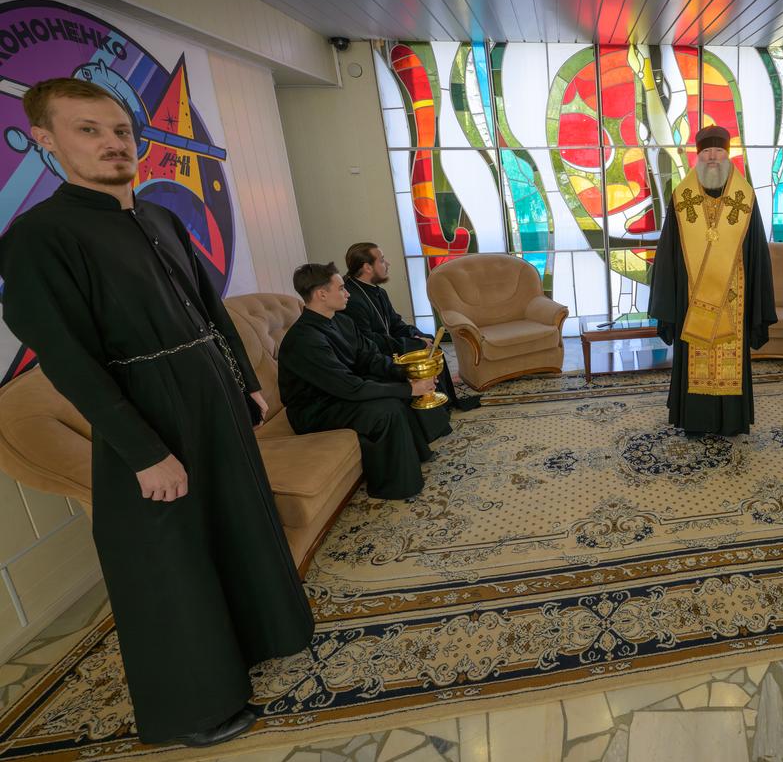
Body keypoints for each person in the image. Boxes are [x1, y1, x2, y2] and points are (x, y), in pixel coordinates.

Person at [0, 78, 313, 746]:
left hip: (211, 398)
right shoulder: (40, 236)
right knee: (168, 558)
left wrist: (244, 382)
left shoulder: (159, 216)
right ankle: (196, 708)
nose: (113, 143)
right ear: (45, 141)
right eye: (88, 130)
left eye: (120, 130)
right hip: (143, 411)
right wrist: (144, 451)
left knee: (236, 522)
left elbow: (210, 308)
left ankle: (260, 639)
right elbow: (67, 358)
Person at [647, 125, 776, 436]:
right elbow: (669, 252)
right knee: (694, 354)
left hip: (736, 295)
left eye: (719, 151)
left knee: (731, 356)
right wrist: (669, 299)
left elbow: (757, 248)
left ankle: (730, 422)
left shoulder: (744, 198)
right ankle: (694, 420)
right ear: (698, 156)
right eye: (707, 152)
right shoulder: (683, 198)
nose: (713, 157)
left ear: (727, 155)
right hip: (691, 298)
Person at [279, 263, 442, 500]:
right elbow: (349, 387)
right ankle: (395, 486)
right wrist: (408, 388)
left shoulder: (342, 321)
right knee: (387, 409)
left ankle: (415, 457)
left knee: (395, 391)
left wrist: (408, 373)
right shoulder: (304, 340)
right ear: (321, 294)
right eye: (342, 288)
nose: (347, 293)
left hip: (339, 392)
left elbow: (371, 359)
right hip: (314, 409)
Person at [340, 242, 479, 410]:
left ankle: (444, 400)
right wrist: (414, 344)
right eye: (382, 260)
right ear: (367, 267)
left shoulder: (378, 291)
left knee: (431, 343)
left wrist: (418, 335)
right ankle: (433, 403)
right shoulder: (351, 299)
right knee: (424, 350)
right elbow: (368, 340)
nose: (387, 264)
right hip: (373, 357)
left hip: (389, 346)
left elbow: (395, 323)